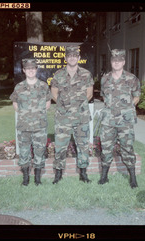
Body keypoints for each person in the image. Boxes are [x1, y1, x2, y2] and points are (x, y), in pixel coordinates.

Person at [51, 46, 94, 184]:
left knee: (83, 145)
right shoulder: (58, 74)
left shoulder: (86, 74)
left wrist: (76, 107)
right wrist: (66, 107)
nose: (72, 58)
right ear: (65, 58)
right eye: (69, 56)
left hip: (81, 116)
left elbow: (89, 93)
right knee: (60, 146)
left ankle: (83, 173)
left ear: (79, 58)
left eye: (75, 55)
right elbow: (54, 94)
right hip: (63, 116)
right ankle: (58, 174)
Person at [98, 49, 141, 188]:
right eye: (114, 60)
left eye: (119, 60)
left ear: (123, 62)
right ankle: (104, 177)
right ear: (111, 62)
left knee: (127, 147)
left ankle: (133, 178)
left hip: (125, 121)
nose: (116, 63)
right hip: (108, 120)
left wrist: (127, 108)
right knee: (106, 147)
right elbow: (104, 96)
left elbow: (137, 96)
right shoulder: (105, 79)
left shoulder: (131, 78)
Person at [10, 59, 51, 186]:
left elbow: (48, 103)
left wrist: (37, 114)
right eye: (28, 69)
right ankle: (26, 178)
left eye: (33, 68)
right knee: (24, 152)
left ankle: (37, 179)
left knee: (39, 151)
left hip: (40, 126)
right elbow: (15, 103)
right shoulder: (19, 87)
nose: (31, 71)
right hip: (24, 126)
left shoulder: (43, 86)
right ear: (24, 70)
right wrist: (24, 114)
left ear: (36, 70)